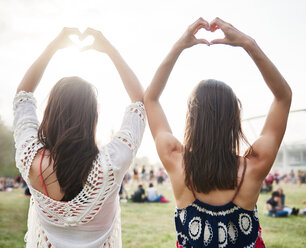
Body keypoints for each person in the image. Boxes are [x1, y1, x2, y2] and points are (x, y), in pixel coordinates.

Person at [144, 17, 291, 247]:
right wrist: (248, 43)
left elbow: (150, 99)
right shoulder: (253, 166)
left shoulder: (175, 160)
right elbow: (283, 97)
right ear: (234, 120)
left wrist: (179, 46)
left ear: (192, 120)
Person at [13, 27, 145, 247]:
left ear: (51, 113)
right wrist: (110, 50)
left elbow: (23, 96)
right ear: (92, 117)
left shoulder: (32, 160)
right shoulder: (110, 166)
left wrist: (54, 45)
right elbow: (140, 103)